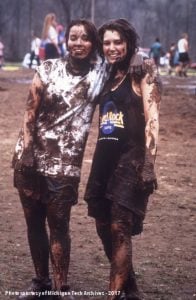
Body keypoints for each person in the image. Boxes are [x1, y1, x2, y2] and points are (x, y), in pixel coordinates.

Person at [12, 19, 110, 300]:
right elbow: (30, 112)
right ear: (66, 40)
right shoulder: (48, 68)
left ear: (94, 44)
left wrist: (138, 55)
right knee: (33, 222)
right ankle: (40, 282)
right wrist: (27, 151)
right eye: (73, 37)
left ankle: (60, 287)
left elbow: (124, 59)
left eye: (85, 38)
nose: (78, 43)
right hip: (30, 155)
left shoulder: (100, 74)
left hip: (65, 164)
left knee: (59, 223)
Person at [84, 19, 161, 300]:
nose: (112, 47)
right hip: (104, 161)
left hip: (132, 160)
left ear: (128, 42)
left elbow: (153, 120)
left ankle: (113, 294)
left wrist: (150, 164)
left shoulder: (143, 70)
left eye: (118, 42)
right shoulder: (106, 73)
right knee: (103, 227)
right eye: (107, 42)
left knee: (120, 226)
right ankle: (131, 288)